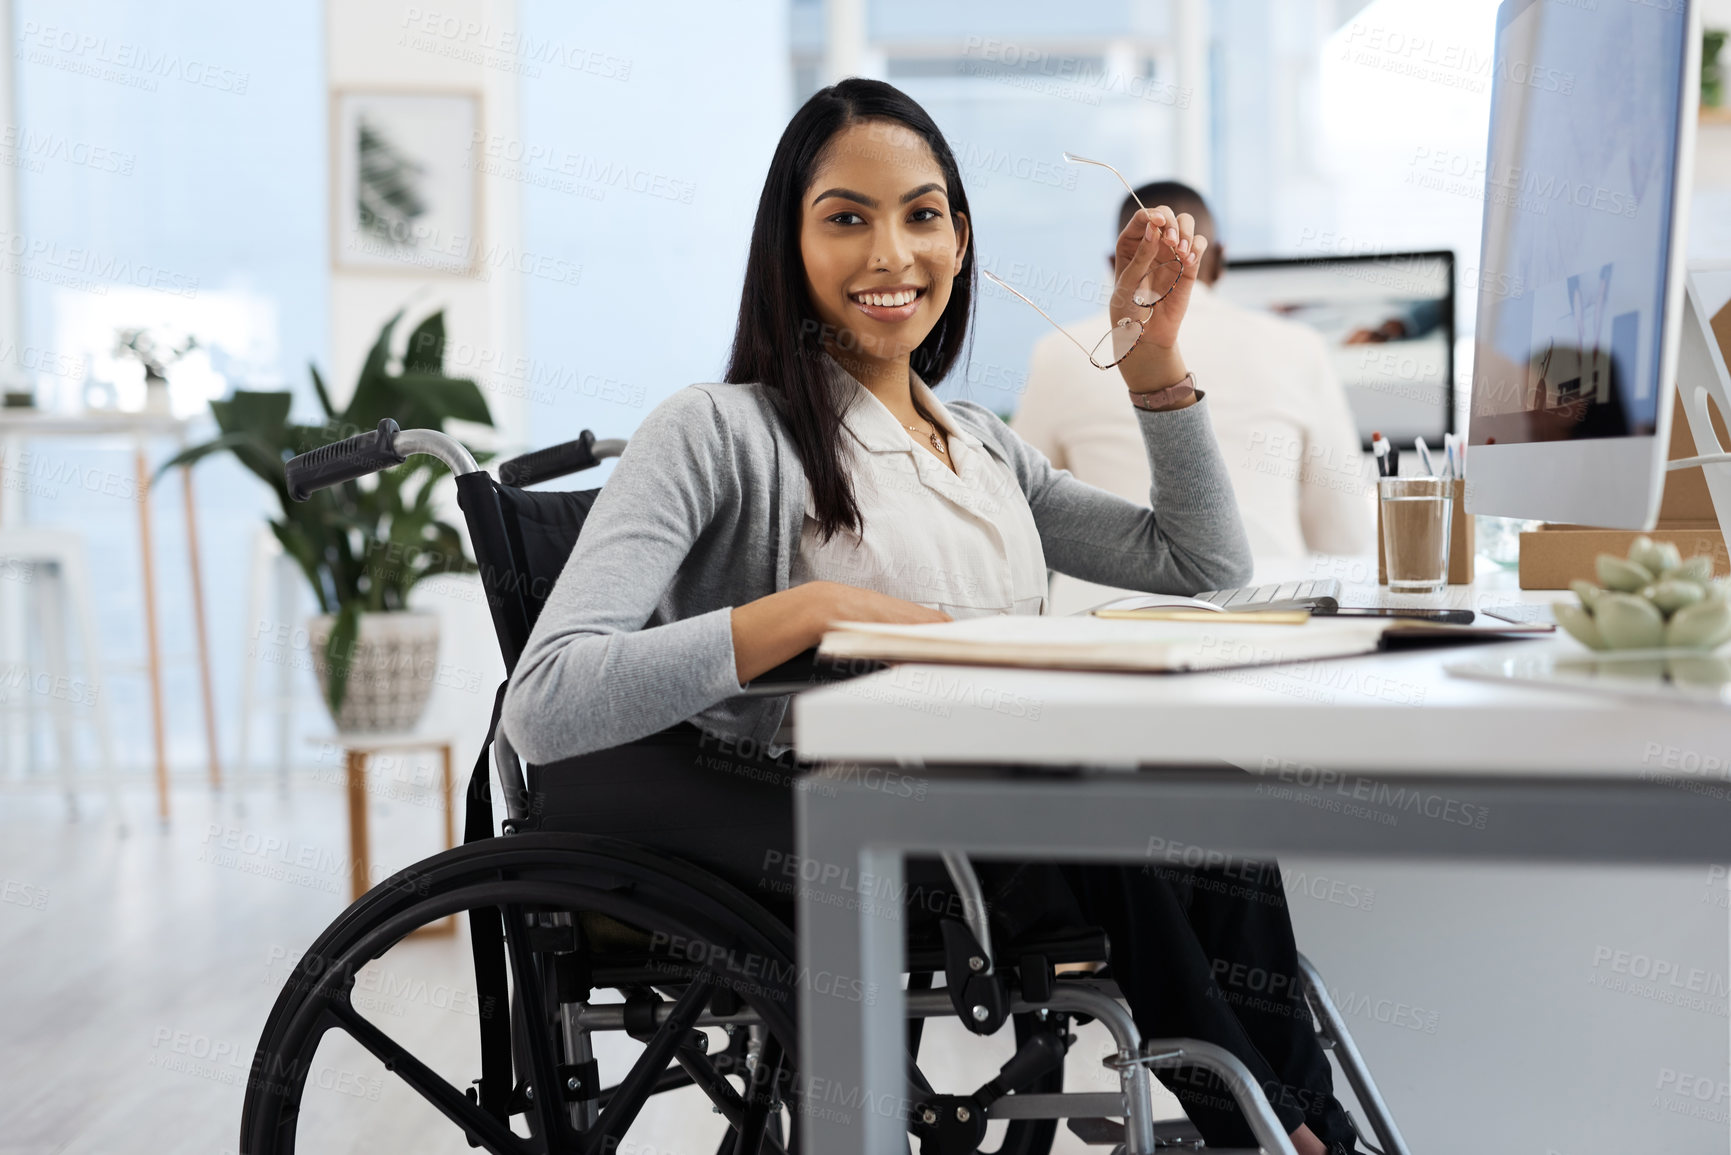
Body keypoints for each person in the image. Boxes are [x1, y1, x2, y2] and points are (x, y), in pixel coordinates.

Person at [503, 79, 1364, 1154]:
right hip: (850, 826)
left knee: (1217, 814)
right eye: (846, 218)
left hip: (1009, 801)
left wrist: (1151, 363)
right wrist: (801, 613)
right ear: (790, 241)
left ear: (960, 239)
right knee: (1122, 832)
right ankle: (1254, 1128)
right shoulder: (717, 431)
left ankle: (1303, 1123)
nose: (890, 255)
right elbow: (543, 704)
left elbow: (1202, 562)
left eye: (921, 215)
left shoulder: (981, 444)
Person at [1012, 180, 1370, 611]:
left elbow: (1018, 512)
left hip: (1102, 616)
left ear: (1116, 263)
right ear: (1219, 260)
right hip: (1269, 611)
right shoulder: (1300, 347)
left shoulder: (1060, 351)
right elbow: (1344, 536)